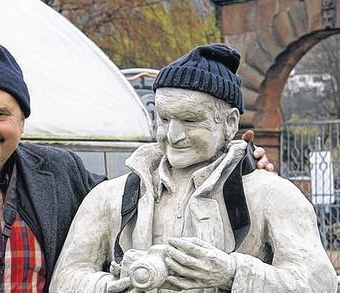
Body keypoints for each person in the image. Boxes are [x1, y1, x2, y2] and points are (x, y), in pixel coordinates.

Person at [0, 37, 270, 293]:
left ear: (21, 121)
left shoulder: (63, 174)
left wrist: (242, 169)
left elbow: (150, 191)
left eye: (0, 114)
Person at [50, 44, 337, 293]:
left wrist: (232, 273)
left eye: (190, 120)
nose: (173, 135)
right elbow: (64, 280)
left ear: (230, 122)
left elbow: (319, 283)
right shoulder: (110, 197)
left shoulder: (273, 196)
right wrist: (114, 285)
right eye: (164, 119)